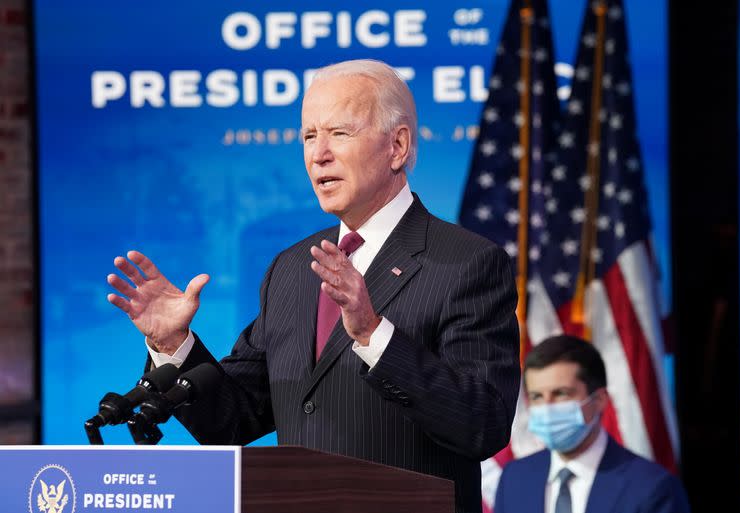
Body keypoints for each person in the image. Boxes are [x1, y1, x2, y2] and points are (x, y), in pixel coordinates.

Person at [106, 59, 520, 513]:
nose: (318, 153)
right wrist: (173, 344)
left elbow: (483, 424)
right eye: (308, 136)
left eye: (339, 134)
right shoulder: (291, 268)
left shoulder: (467, 263)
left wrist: (373, 335)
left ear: (397, 146)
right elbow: (230, 420)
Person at [494, 335, 691, 513]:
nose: (547, 407)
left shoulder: (653, 487)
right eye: (537, 396)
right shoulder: (513, 479)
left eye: (561, 393)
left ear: (599, 400)